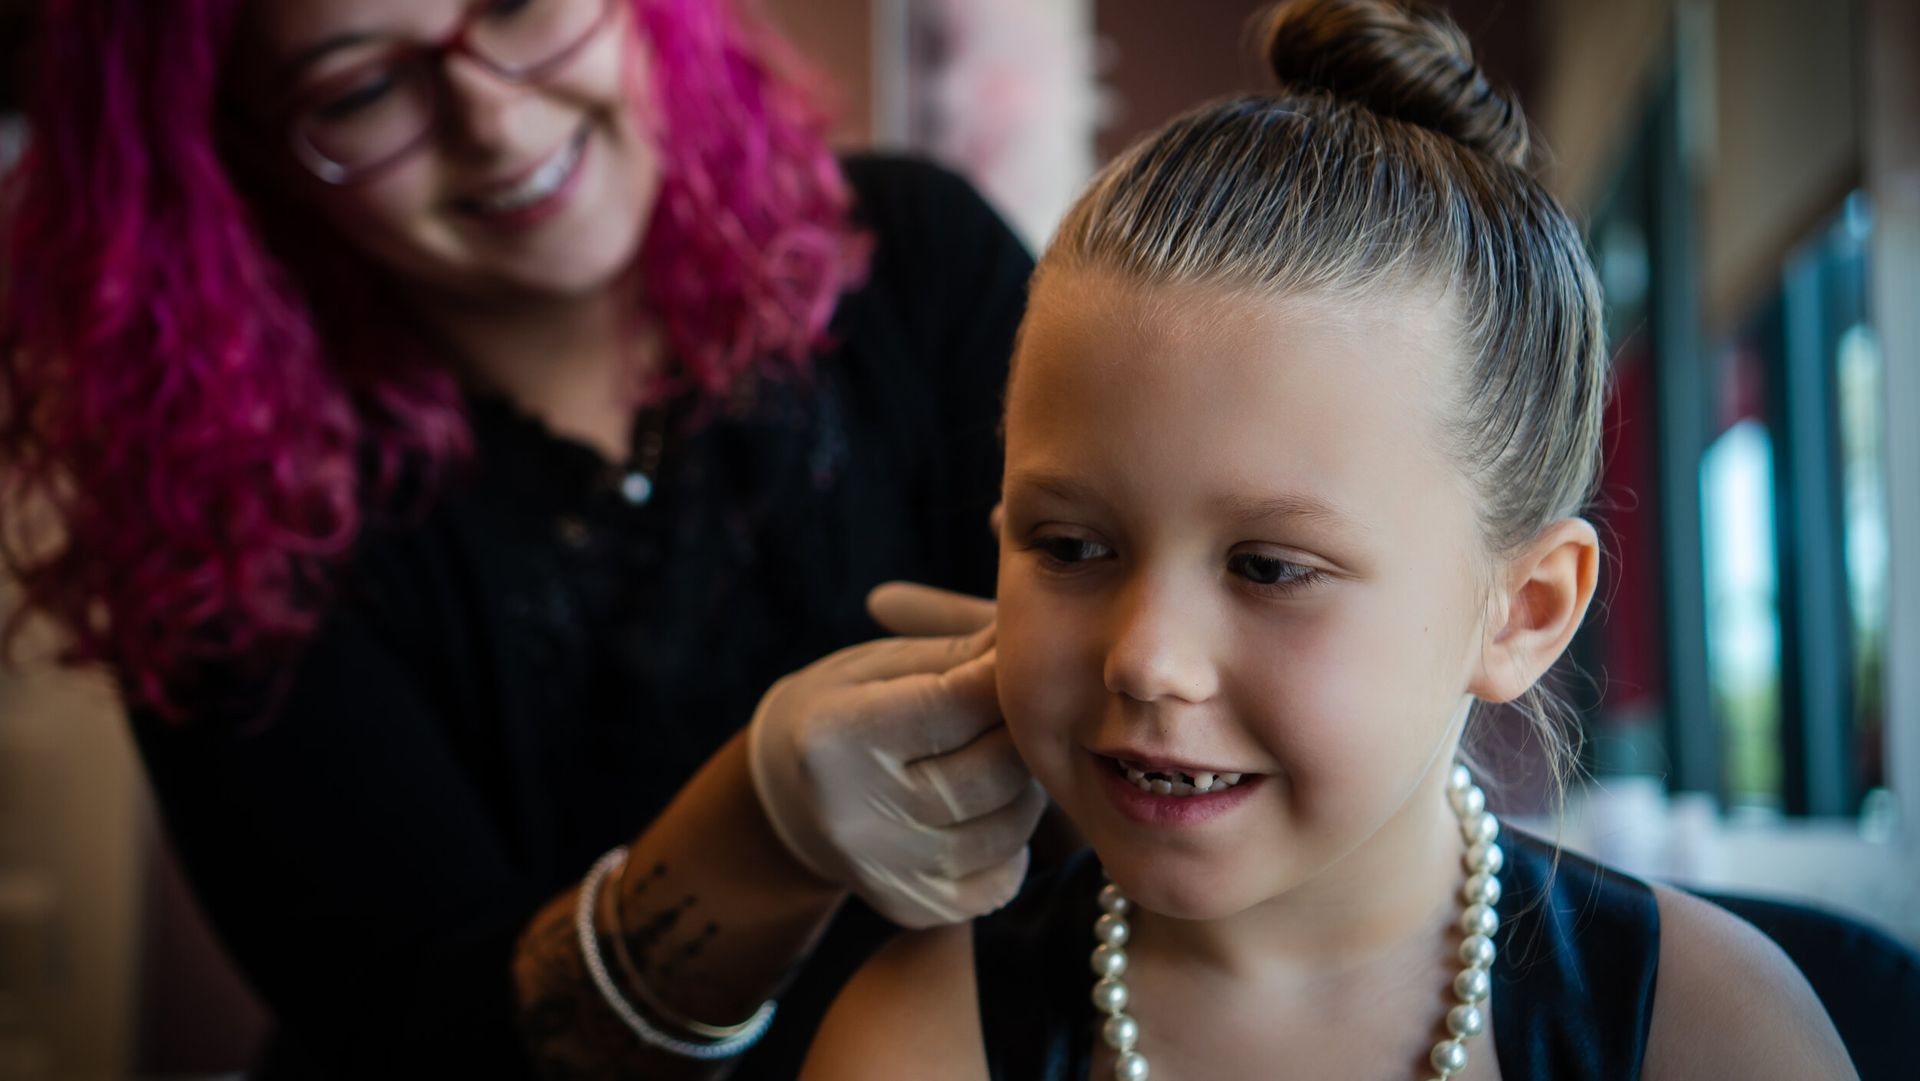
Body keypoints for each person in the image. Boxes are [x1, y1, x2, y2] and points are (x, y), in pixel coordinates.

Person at [800, 1, 1861, 1078]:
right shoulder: (916, 1039)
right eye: (1072, 547)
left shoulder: (1710, 1029)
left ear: (1523, 610)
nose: (1146, 658)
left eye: (1268, 568)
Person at [0, 0, 1044, 1077]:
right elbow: (421, 1039)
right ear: (240, 158)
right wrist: (754, 845)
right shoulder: (214, 530)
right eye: (361, 90)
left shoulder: (919, 255)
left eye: (513, 3)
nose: (493, 121)